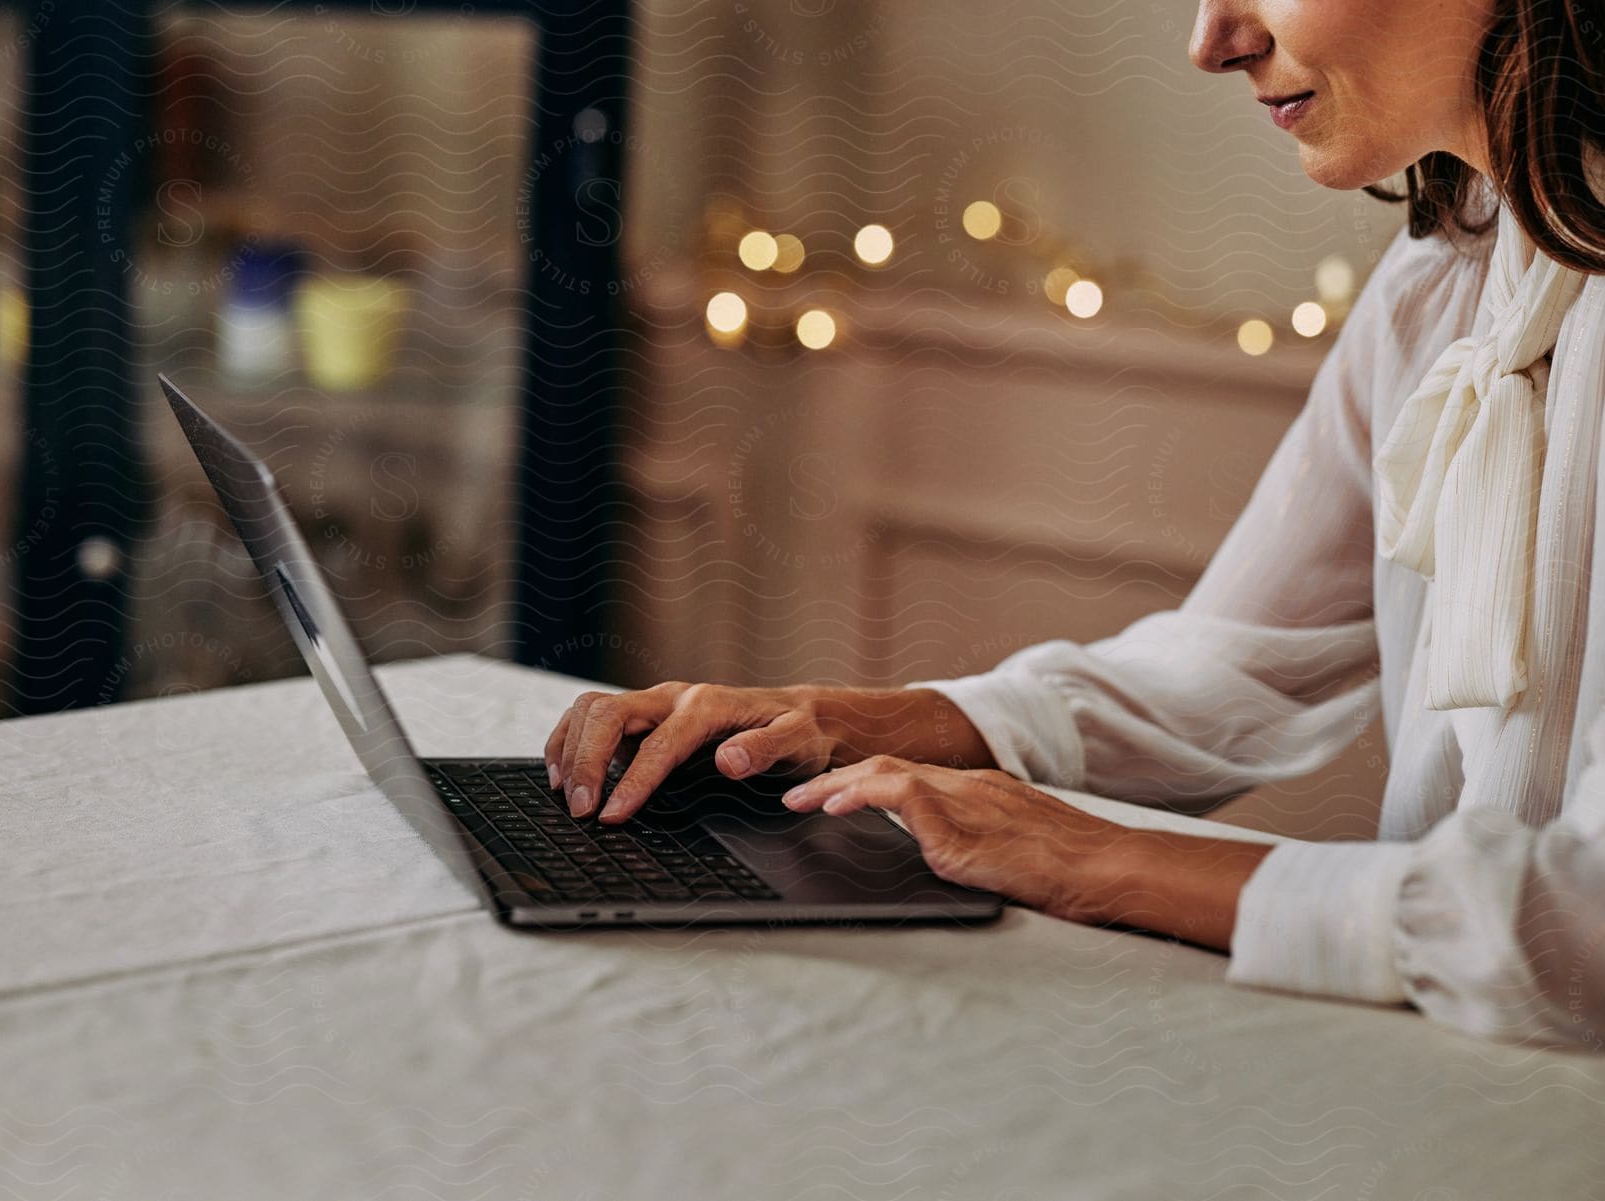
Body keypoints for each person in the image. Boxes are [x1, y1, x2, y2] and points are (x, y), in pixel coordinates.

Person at [543, 0, 1605, 1050]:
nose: (1213, 42)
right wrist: (839, 720)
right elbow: (1232, 668)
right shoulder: (1443, 279)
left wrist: (1097, 860)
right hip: (1449, 1060)